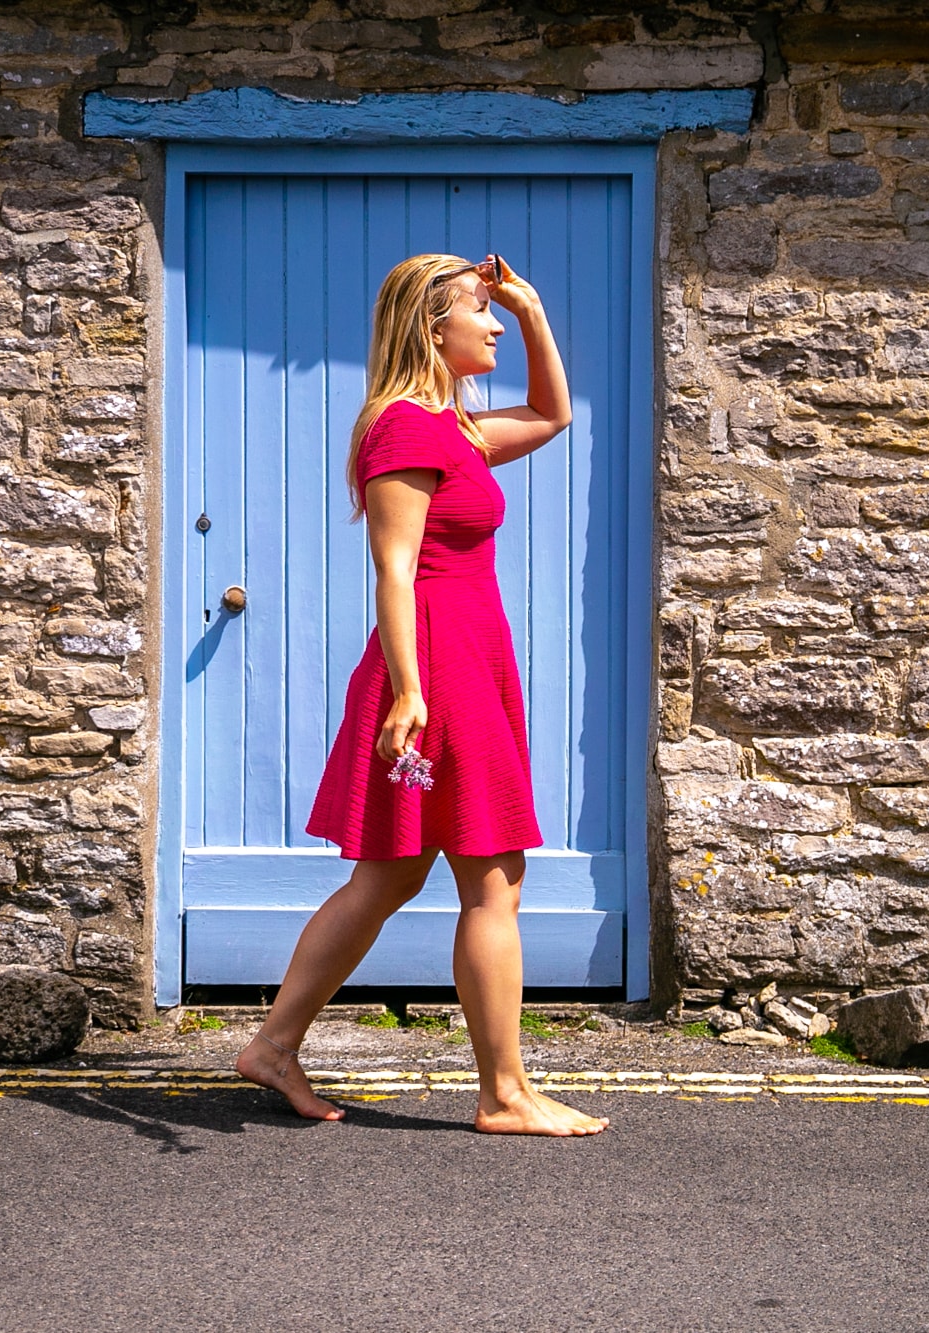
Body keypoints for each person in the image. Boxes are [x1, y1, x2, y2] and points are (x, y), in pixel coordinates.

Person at [235, 253, 609, 1137]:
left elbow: (555, 413)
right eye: (480, 313)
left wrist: (531, 310)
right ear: (431, 328)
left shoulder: (457, 428)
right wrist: (410, 690)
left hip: (467, 659)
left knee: (393, 871)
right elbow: (394, 570)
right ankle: (505, 1092)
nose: (492, 327)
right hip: (436, 666)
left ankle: (274, 1046)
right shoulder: (404, 427)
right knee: (493, 876)